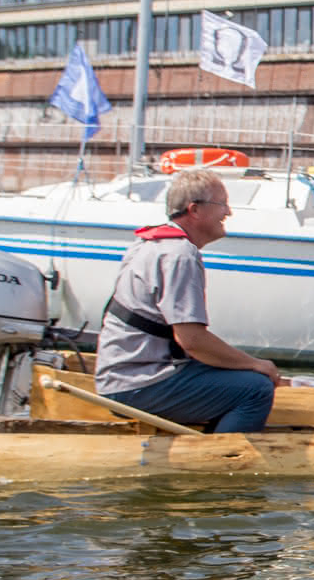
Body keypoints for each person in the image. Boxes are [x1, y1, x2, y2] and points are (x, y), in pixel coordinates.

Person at [94, 169, 279, 432]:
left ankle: (205, 435)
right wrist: (257, 364)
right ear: (195, 210)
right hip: (136, 383)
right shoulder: (180, 254)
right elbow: (192, 341)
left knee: (238, 375)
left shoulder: (149, 243)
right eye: (222, 204)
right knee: (256, 389)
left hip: (119, 374)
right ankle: (221, 463)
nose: (228, 212)